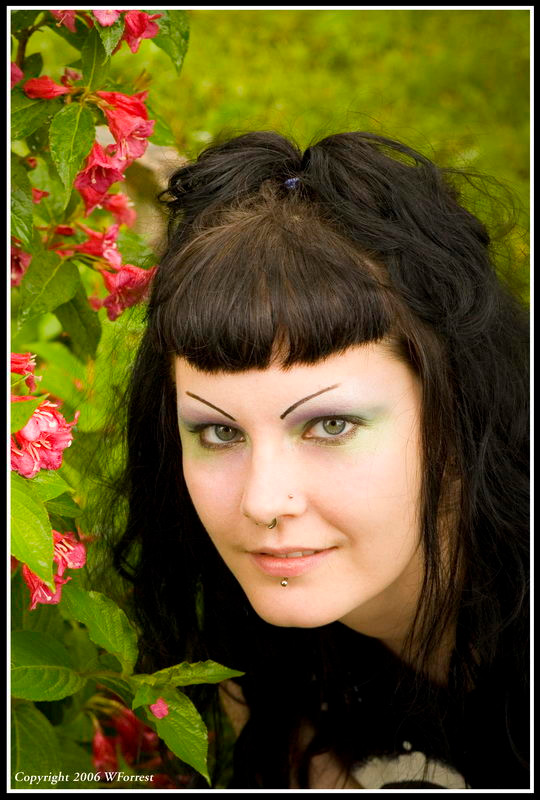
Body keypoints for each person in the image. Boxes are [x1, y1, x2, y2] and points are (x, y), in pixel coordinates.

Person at [98, 130, 529, 788]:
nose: (262, 502)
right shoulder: (248, 632)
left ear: (458, 408)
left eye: (331, 425)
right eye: (218, 432)